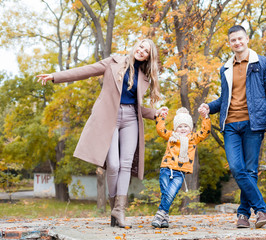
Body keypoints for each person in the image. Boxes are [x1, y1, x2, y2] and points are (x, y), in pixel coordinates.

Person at [37, 39, 168, 228]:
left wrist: (155, 113)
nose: (141, 51)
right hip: (110, 118)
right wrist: (55, 76)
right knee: (113, 165)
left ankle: (120, 211)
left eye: (146, 50)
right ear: (134, 47)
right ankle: (114, 206)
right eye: (140, 46)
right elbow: (85, 70)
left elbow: (137, 107)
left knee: (125, 164)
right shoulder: (114, 62)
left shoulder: (144, 76)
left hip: (131, 119)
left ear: (149, 56)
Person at [199, 25, 266, 229]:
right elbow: (226, 99)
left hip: (254, 123)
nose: (237, 42)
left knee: (250, 170)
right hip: (230, 125)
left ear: (247, 39)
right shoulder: (225, 68)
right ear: (229, 43)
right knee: (237, 168)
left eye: (240, 39)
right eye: (233, 40)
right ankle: (261, 210)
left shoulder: (263, 63)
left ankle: (243, 215)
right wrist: (209, 106)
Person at [151, 107, 211, 228]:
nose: (182, 129)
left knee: (171, 193)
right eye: (180, 126)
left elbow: (205, 131)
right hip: (166, 168)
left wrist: (205, 118)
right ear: (175, 127)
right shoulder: (171, 136)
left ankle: (160, 214)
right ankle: (165, 219)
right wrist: (161, 117)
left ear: (190, 128)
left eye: (185, 126)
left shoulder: (193, 138)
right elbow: (160, 130)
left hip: (180, 172)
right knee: (165, 194)